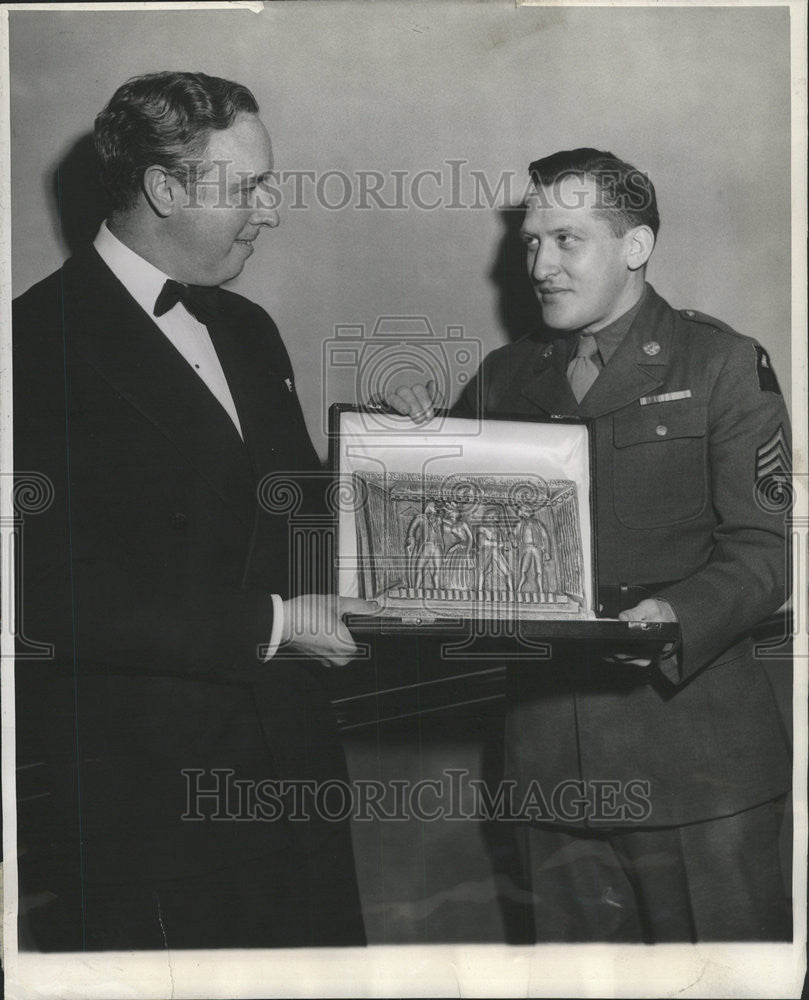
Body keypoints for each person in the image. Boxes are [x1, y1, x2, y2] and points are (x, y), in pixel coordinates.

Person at [386, 148, 792, 941]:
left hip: (694, 769)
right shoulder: (506, 376)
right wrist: (410, 447)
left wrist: (673, 616)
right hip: (548, 772)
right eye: (531, 242)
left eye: (566, 240)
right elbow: (463, 552)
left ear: (634, 246)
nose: (540, 263)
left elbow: (765, 552)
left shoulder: (721, 364)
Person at [13, 71, 374, 951]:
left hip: (295, 768)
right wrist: (277, 620)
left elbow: (285, 515)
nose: (271, 209)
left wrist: (386, 478)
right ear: (165, 189)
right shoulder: (31, 345)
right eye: (247, 187)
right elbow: (47, 598)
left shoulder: (248, 328)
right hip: (154, 801)